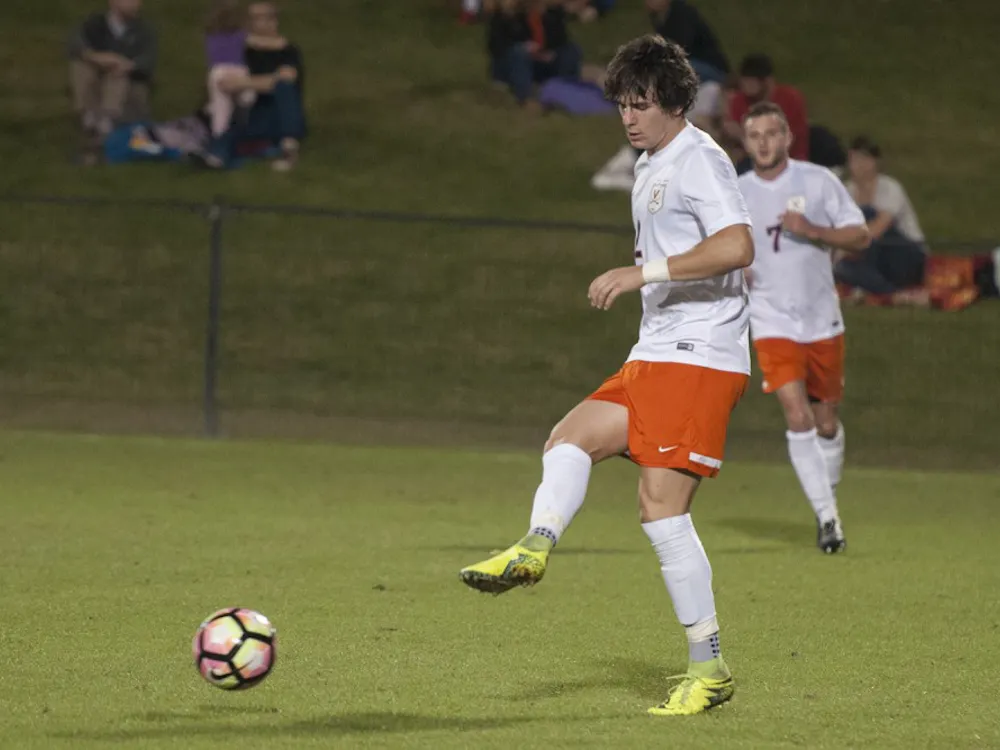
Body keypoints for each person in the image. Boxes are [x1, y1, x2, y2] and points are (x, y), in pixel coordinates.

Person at [460, 34, 755, 717]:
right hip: (657, 351)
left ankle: (709, 670)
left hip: (701, 355)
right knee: (570, 436)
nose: (629, 116)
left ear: (677, 101)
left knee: (661, 512)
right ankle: (533, 548)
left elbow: (737, 245)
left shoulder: (698, 159)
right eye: (623, 102)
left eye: (643, 103)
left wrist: (641, 272)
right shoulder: (652, 161)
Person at [737, 102, 871, 552]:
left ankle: (826, 500)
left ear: (787, 137)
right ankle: (828, 518)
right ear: (745, 141)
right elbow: (719, 247)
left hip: (821, 318)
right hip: (771, 318)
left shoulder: (816, 181)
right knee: (796, 414)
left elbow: (860, 235)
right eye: (755, 136)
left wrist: (813, 229)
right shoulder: (735, 192)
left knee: (826, 421)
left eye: (771, 134)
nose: (763, 143)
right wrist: (736, 269)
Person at [196, 1, 306, 171]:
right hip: (251, 111)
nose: (253, 23)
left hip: (279, 112)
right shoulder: (243, 50)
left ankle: (288, 147)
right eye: (251, 18)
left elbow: (286, 78)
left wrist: (244, 82)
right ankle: (217, 156)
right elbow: (225, 79)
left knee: (284, 89)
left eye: (260, 18)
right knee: (234, 120)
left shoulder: (288, 50)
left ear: (273, 21)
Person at [836, 136, 928, 296]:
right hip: (870, 257)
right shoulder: (847, 190)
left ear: (874, 163)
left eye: (863, 159)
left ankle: (872, 286)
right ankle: (890, 293)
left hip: (903, 253)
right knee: (842, 267)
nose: (858, 165)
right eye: (854, 160)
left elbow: (878, 228)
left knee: (866, 214)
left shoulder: (890, 188)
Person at [68, 0, 157, 162]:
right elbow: (75, 44)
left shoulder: (144, 30)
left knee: (117, 73)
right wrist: (97, 58)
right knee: (82, 65)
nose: (136, 4)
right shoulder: (95, 24)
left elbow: (148, 61)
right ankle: (89, 117)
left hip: (126, 84)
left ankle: (105, 123)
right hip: (97, 78)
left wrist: (127, 65)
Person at [487, 0, 582, 109]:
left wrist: (549, 53)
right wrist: (524, 46)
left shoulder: (552, 14)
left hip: (541, 62)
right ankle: (526, 98)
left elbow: (560, 41)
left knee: (571, 50)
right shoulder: (507, 16)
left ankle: (565, 91)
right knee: (519, 53)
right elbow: (497, 46)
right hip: (513, 65)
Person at [723, 54, 808, 163]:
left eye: (750, 82)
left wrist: (741, 134)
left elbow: (784, 143)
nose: (745, 86)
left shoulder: (790, 99)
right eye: (744, 81)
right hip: (750, 161)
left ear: (767, 81)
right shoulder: (739, 100)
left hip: (790, 161)